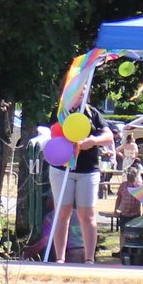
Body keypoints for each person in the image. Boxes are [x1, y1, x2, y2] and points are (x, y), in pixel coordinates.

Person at [45, 98, 108, 264]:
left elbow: (108, 136)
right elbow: (53, 132)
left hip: (88, 169)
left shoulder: (92, 112)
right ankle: (60, 258)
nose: (82, 93)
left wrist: (93, 141)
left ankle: (89, 259)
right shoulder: (60, 112)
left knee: (87, 215)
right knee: (62, 213)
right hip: (62, 168)